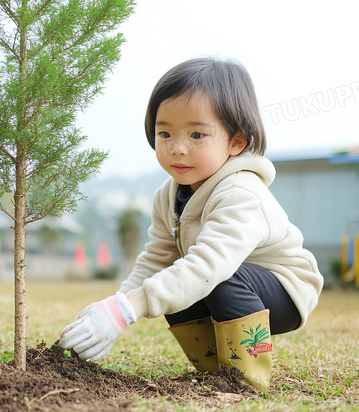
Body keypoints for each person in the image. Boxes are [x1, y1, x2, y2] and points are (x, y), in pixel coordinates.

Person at [58, 58, 324, 392]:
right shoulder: (166, 196)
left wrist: (129, 308)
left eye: (197, 134)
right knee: (172, 283)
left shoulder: (241, 193)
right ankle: (214, 369)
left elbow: (209, 266)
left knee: (211, 276)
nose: (177, 147)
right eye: (164, 133)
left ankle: (245, 378)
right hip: (224, 278)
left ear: (236, 142)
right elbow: (157, 258)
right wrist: (116, 307)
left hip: (285, 290)